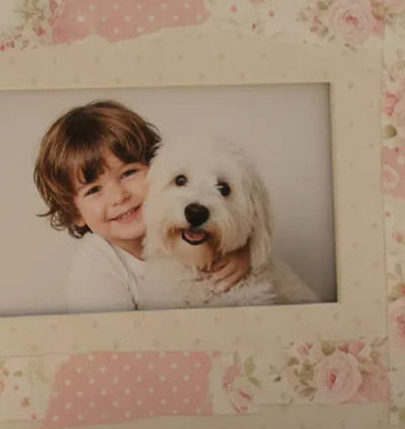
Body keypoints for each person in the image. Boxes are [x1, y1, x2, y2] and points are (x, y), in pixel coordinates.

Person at [33, 99, 250, 314]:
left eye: (128, 173)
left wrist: (246, 254)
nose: (119, 196)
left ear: (157, 168)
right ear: (75, 214)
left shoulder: (184, 232)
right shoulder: (94, 268)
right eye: (93, 190)